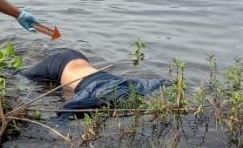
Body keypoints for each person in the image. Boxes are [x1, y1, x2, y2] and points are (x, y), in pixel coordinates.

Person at [21, 49, 169, 118]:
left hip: (77, 57)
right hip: (56, 64)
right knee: (20, 74)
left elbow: (158, 83)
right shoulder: (97, 94)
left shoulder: (132, 86)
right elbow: (67, 109)